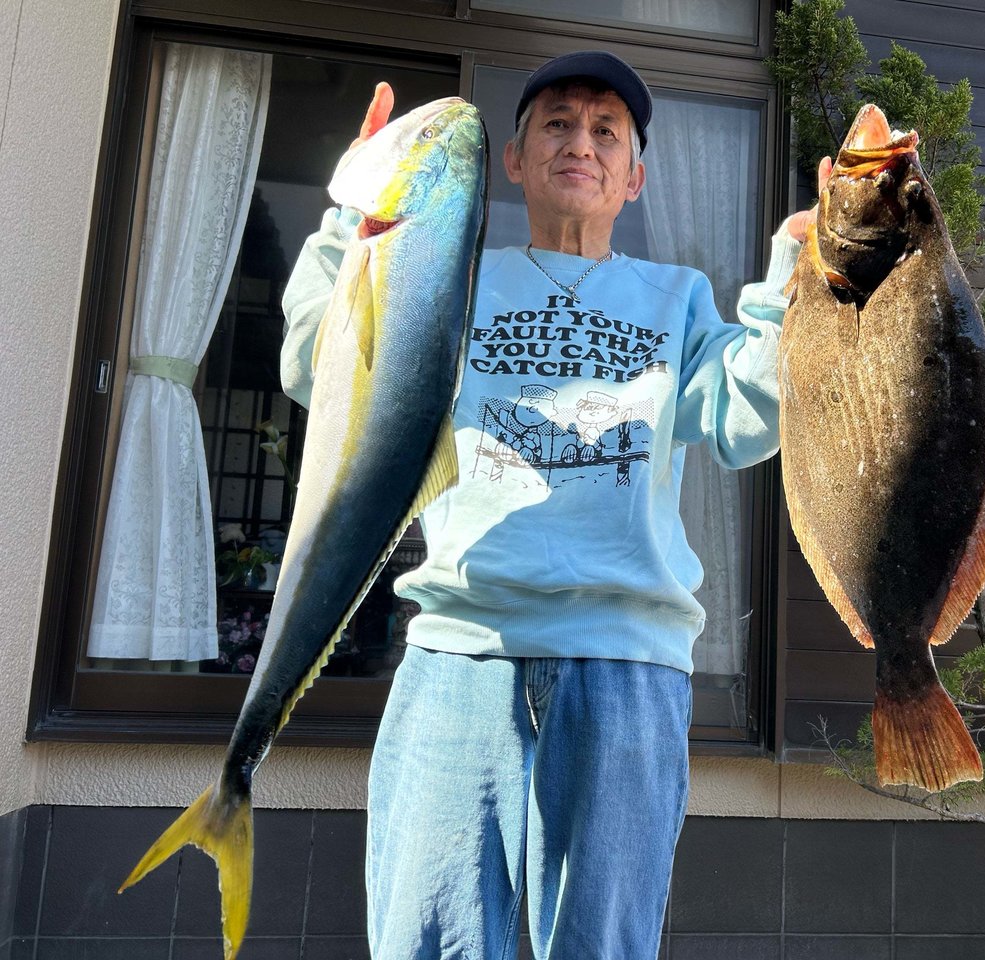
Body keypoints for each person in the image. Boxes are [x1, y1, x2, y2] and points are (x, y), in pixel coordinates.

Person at [281, 50, 827, 960]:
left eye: (607, 131)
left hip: (625, 668)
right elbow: (316, 361)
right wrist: (352, 215)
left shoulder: (678, 299)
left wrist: (793, 280)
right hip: (458, 656)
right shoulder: (450, 274)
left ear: (634, 178)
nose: (582, 142)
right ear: (515, 160)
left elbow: (748, 416)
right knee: (427, 941)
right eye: (558, 123)